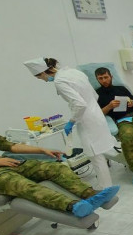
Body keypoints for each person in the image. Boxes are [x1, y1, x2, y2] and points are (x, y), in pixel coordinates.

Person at [0, 104, 119, 218]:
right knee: (24, 185)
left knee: (55, 168)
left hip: (8, 163)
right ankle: (73, 206)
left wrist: (42, 149)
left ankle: (90, 194)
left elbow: (11, 146)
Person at [23, 57, 116, 190]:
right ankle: (106, 186)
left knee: (95, 155)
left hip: (87, 119)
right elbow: (94, 95)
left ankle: (105, 188)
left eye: (40, 78)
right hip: (96, 114)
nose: (43, 80)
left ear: (43, 72)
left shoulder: (59, 81)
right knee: (98, 153)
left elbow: (79, 104)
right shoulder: (73, 72)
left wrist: (71, 122)